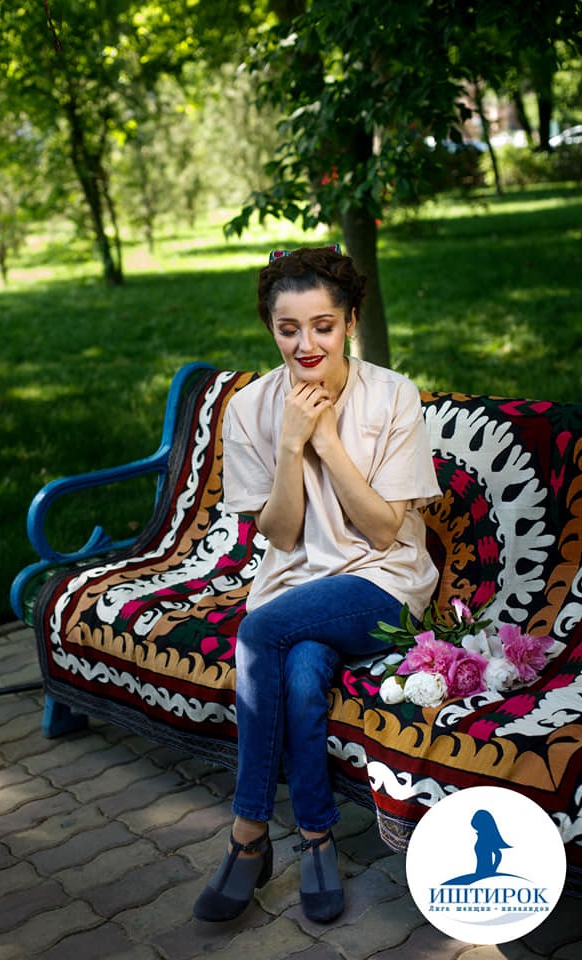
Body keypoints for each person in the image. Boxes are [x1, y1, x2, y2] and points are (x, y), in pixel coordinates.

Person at [193, 246, 441, 925]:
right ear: (270, 329)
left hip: (383, 585)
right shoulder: (250, 407)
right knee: (300, 673)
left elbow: (385, 532)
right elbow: (279, 533)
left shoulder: (391, 394)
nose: (306, 344)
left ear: (351, 321)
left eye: (323, 326)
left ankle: (248, 833)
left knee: (259, 631)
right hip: (295, 586)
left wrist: (324, 438)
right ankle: (316, 839)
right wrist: (288, 444)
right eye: (288, 329)